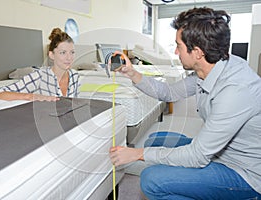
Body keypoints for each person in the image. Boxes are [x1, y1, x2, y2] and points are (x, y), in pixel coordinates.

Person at [109, 7, 261, 199]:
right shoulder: (209, 68)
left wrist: (137, 154)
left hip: (244, 173)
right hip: (220, 151)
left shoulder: (236, 90)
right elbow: (169, 92)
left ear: (197, 52)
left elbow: (197, 156)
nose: (175, 51)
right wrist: (132, 73)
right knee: (155, 141)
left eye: (178, 46)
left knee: (151, 178)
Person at [0, 27, 79, 101]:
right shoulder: (40, 76)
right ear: (51, 55)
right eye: (63, 52)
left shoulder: (74, 75)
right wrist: (30, 96)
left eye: (72, 52)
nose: (69, 57)